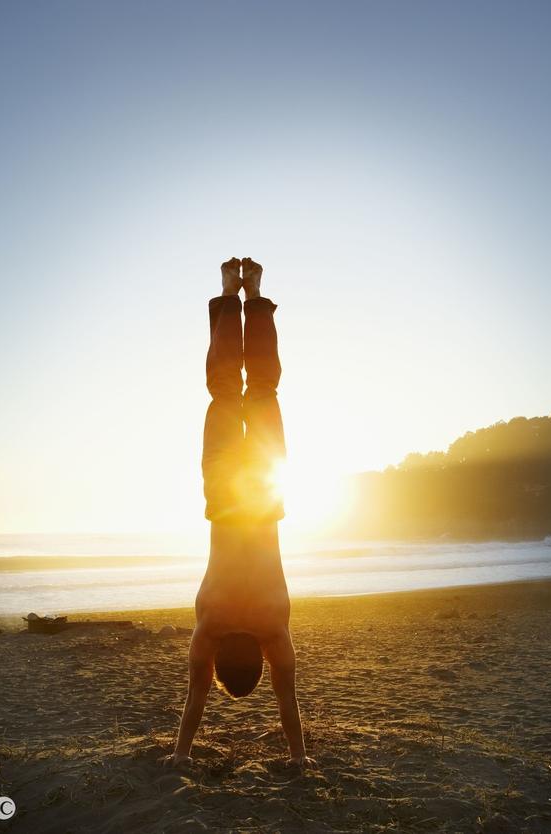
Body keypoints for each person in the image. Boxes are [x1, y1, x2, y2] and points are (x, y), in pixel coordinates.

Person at [163, 257, 315, 769]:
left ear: (264, 658)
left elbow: (287, 700)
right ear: (220, 659)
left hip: (266, 497)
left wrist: (300, 757)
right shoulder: (210, 624)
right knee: (227, 391)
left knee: (264, 391)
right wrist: (179, 752)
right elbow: (195, 695)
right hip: (226, 497)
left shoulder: (275, 627)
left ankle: (256, 296)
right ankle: (231, 291)